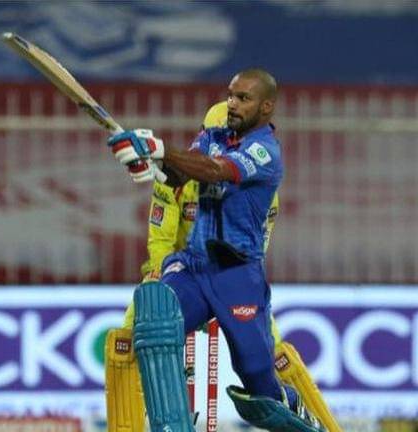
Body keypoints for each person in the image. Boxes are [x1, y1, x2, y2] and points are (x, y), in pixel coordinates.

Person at [107, 69, 330, 432]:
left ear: (266, 107)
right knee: (155, 319)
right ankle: (173, 423)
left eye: (243, 98)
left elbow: (213, 170)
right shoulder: (213, 137)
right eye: (231, 96)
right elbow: (180, 176)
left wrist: (160, 150)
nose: (232, 105)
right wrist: (151, 165)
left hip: (236, 275)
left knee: (258, 383)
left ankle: (290, 405)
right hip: (194, 266)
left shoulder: (264, 152)